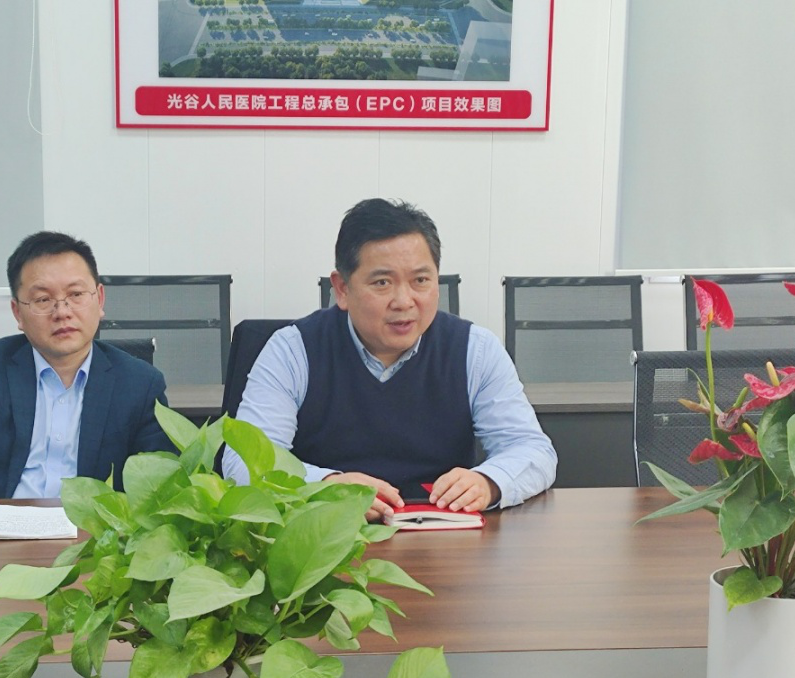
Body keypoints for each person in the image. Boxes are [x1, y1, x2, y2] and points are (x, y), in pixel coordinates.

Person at [223, 198, 556, 521]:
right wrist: (326, 485)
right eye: (382, 282)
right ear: (342, 289)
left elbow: (533, 450)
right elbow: (244, 461)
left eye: (420, 281)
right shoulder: (292, 351)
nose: (404, 301)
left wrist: (489, 481)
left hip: (443, 536)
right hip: (324, 537)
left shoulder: (476, 350)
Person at [0, 231, 173, 499]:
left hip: (94, 524)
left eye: (76, 294)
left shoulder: (140, 383)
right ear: (18, 313)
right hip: (1, 520)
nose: (62, 312)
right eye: (43, 299)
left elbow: (157, 482)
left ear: (99, 299)